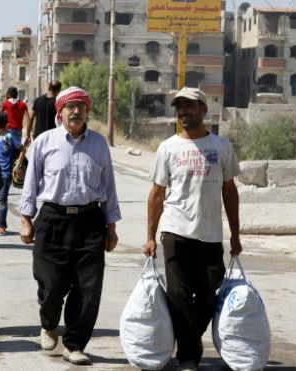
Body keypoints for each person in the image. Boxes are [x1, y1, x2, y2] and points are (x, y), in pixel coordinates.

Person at [19, 86, 121, 366]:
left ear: (87, 111)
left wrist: (111, 225)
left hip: (90, 221)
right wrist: (26, 219)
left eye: (81, 107)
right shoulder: (44, 141)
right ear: (60, 112)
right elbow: (31, 182)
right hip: (52, 218)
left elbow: (109, 185)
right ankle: (49, 322)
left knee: (88, 288)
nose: (76, 112)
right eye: (70, 107)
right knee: (50, 283)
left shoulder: (99, 144)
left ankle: (74, 343)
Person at [142, 87, 242, 371]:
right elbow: (156, 195)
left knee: (210, 295)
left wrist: (235, 235)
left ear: (203, 110)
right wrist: (150, 237)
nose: (183, 112)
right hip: (175, 232)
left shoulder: (222, 147)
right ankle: (188, 356)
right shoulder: (168, 148)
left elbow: (230, 192)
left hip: (210, 235)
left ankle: (186, 339)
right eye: (179, 107)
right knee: (179, 295)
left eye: (189, 106)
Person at [0, 110, 24, 236]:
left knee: (2, 200)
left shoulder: (8, 137)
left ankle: (2, 226)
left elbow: (22, 149)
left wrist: (18, 165)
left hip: (5, 173)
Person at [25, 80, 61, 146]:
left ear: (49, 88)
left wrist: (28, 135)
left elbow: (30, 118)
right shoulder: (57, 103)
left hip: (38, 136)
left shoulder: (38, 100)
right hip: (51, 137)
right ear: (59, 91)